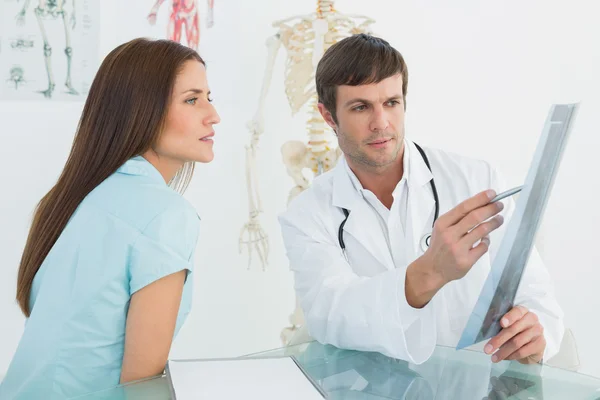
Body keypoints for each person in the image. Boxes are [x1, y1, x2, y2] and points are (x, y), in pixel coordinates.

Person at [279, 34, 564, 366]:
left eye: (391, 102)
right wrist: (430, 272)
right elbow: (331, 316)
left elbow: (536, 295)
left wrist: (535, 331)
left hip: (476, 388)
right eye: (360, 107)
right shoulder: (305, 215)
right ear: (329, 117)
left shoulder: (475, 180)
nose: (381, 123)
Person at [0, 38, 220, 399]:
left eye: (209, 98)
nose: (213, 115)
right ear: (141, 110)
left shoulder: (74, 198)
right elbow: (140, 385)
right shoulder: (165, 214)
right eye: (192, 100)